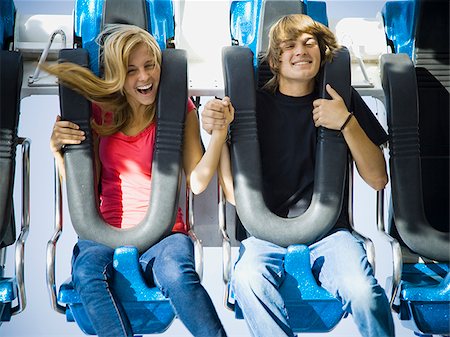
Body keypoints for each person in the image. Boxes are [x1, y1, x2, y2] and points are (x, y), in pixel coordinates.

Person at [202, 14, 395, 337]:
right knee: (248, 279)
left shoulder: (342, 99)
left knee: (363, 290)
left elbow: (378, 179)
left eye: (309, 43)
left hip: (331, 235)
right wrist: (219, 131)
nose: (300, 51)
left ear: (322, 51)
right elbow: (235, 194)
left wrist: (346, 122)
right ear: (275, 61)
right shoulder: (251, 106)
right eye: (289, 45)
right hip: (264, 235)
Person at [47, 24, 232, 337]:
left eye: (150, 66)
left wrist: (220, 135)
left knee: (176, 273)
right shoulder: (98, 113)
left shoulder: (178, 110)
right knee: (86, 271)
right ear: (119, 75)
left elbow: (198, 182)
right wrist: (58, 153)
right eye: (132, 70)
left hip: (164, 234)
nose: (144, 78)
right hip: (105, 230)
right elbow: (83, 190)